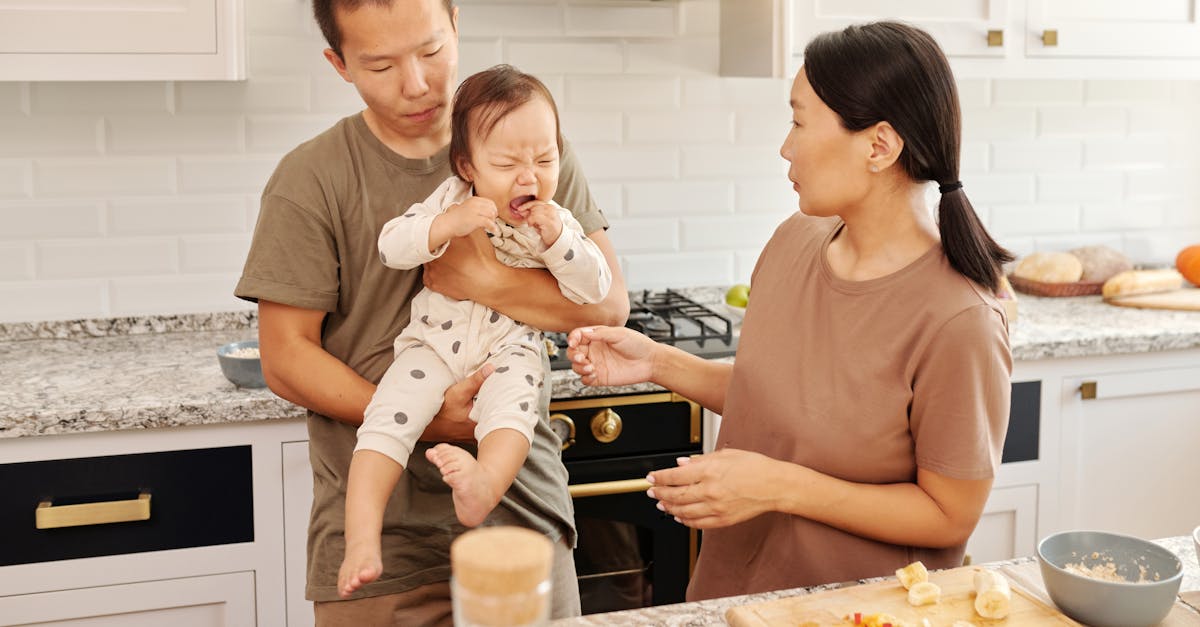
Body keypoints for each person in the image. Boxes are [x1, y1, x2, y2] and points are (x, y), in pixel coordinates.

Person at [566, 20, 1013, 600]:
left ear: (879, 145)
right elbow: (782, 400)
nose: (785, 144)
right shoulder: (794, 241)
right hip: (732, 596)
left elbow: (949, 515)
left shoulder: (960, 320)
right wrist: (656, 363)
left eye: (800, 121)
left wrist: (780, 487)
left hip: (856, 610)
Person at [234, 0, 629, 622]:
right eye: (381, 64)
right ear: (339, 65)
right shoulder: (311, 178)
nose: (417, 84)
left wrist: (484, 279)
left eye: (431, 51)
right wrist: (429, 420)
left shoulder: (534, 152)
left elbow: (607, 304)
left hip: (524, 513)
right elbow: (284, 359)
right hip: (382, 538)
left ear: (456, 30)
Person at [338, 64, 612, 599]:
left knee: (514, 412)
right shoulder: (450, 200)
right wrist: (445, 226)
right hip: (434, 345)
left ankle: (485, 485)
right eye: (507, 162)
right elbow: (392, 245)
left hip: (511, 348)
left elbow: (596, 291)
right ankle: (361, 537)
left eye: (545, 159)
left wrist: (561, 243)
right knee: (385, 423)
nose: (529, 177)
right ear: (468, 164)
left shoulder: (558, 221)